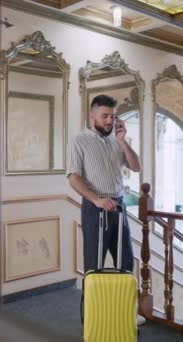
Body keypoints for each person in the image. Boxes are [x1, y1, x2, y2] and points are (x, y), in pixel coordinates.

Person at [67, 94, 145, 326]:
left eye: (113, 116)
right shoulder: (79, 141)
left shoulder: (116, 141)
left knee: (125, 263)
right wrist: (96, 200)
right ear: (92, 115)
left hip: (119, 207)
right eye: (105, 116)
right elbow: (73, 177)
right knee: (95, 267)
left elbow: (136, 166)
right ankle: (93, 318)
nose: (110, 120)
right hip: (95, 208)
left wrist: (122, 140)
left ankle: (125, 313)